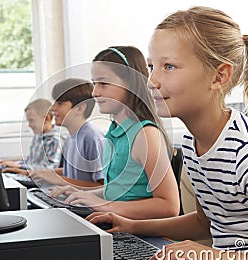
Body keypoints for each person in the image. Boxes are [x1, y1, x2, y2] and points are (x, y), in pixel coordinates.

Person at [88, 6, 248, 260]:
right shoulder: (192, 144)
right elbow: (204, 222)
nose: (151, 80)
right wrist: (133, 225)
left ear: (219, 76)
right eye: (152, 66)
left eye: (169, 66)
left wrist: (213, 257)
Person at [50, 46, 180, 220]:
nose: (95, 92)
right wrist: (83, 194)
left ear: (131, 84)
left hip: (142, 235)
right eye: (94, 83)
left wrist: (103, 205)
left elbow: (169, 206)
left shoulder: (145, 134)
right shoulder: (114, 131)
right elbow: (119, 190)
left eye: (103, 83)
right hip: (119, 226)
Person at [29, 78, 105, 187]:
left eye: (59, 103)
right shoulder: (71, 136)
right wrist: (44, 173)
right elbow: (72, 172)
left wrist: (60, 180)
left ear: (80, 109)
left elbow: (102, 187)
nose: (53, 108)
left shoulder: (92, 137)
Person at [0, 98, 63, 171]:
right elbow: (30, 163)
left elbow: (50, 169)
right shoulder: (37, 136)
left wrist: (18, 166)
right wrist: (13, 165)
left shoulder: (54, 140)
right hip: (30, 175)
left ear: (46, 119)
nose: (29, 125)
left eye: (31, 120)